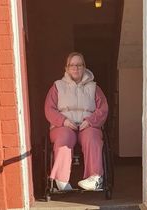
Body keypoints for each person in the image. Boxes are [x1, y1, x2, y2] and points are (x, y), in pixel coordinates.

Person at [44, 52, 108, 191]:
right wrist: (64, 121)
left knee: (93, 138)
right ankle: (61, 179)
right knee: (64, 138)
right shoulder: (57, 86)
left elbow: (103, 109)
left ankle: (95, 178)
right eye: (72, 65)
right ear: (66, 68)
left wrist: (91, 121)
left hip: (87, 125)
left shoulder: (94, 87)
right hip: (64, 125)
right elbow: (49, 109)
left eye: (79, 65)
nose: (76, 68)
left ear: (84, 67)